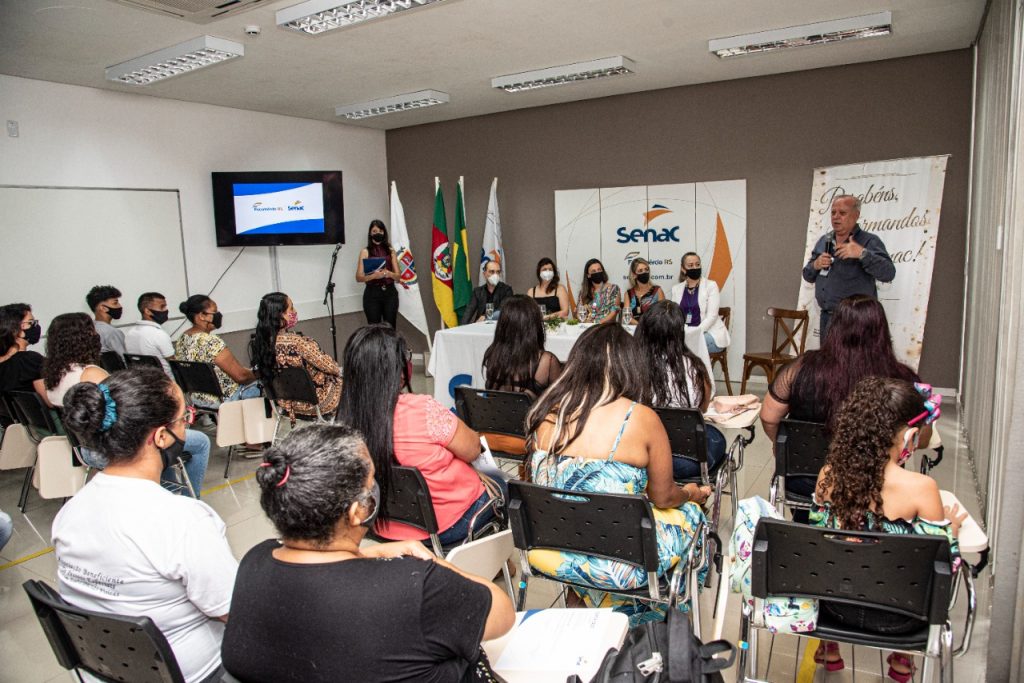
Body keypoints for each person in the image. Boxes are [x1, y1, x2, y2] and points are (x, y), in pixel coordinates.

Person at [221, 423, 515, 683]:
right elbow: (502, 614)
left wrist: (368, 555)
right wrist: (434, 565)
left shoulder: (255, 562)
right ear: (356, 512)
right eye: (371, 481)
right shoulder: (415, 586)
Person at [53, 369, 238, 683]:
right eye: (184, 419)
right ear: (161, 436)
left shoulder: (69, 514)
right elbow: (237, 613)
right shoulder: (184, 521)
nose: (187, 425)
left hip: (101, 673)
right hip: (200, 674)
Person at [526, 323, 710, 626]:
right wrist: (691, 493)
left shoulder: (546, 414)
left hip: (556, 551)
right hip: (623, 560)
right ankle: (660, 622)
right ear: (631, 366)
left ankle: (586, 601)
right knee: (693, 517)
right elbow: (664, 497)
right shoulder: (640, 417)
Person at [810, 377, 963, 682]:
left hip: (835, 608)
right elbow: (944, 562)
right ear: (909, 436)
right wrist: (954, 528)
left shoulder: (828, 475)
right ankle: (904, 659)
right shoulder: (922, 488)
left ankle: (828, 645)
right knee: (912, 573)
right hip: (902, 619)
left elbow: (819, 539)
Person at [759, 295, 922, 521]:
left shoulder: (801, 368)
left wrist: (784, 446)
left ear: (834, 328)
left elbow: (768, 417)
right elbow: (919, 437)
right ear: (882, 331)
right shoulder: (901, 378)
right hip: (878, 486)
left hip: (806, 480)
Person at [336, 325, 503, 545]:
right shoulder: (424, 410)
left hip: (381, 526)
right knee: (502, 484)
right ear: (398, 370)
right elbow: (473, 449)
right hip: (450, 524)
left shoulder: (343, 421)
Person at [43, 314, 211, 496]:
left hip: (84, 448)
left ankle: (164, 492)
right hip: (111, 449)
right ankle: (190, 499)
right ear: (82, 338)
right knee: (200, 442)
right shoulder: (90, 373)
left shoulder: (53, 376)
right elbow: (125, 413)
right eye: (92, 330)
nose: (96, 335)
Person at [635, 301, 725, 479]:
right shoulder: (694, 367)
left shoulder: (630, 365)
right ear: (680, 332)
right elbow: (702, 408)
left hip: (640, 457)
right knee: (716, 437)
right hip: (685, 461)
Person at [802, 194, 896, 335]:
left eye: (842, 213)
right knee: (827, 351)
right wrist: (815, 264)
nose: (836, 217)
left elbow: (888, 273)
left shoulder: (869, 241)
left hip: (856, 320)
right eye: (833, 212)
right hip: (827, 317)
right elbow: (807, 275)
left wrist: (862, 254)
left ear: (856, 215)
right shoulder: (824, 240)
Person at [482, 295, 563, 457]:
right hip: (528, 440)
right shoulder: (546, 361)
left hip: (492, 436)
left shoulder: (492, 356)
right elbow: (561, 405)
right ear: (534, 325)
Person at [250, 292, 342, 419]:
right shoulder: (298, 342)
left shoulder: (261, 343)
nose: (295, 311)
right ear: (280, 314)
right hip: (317, 402)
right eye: (291, 308)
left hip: (286, 404)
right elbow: (332, 367)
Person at [176, 295, 259, 406]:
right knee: (267, 384)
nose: (218, 315)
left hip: (198, 400)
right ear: (202, 316)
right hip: (226, 399)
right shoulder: (210, 341)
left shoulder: (182, 339)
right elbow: (241, 376)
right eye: (214, 312)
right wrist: (263, 372)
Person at [669, 252, 730, 355]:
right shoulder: (676, 289)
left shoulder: (711, 286)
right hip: (686, 335)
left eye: (697, 264)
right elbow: (675, 316)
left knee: (684, 345)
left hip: (710, 334)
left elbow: (712, 317)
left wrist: (694, 334)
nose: (695, 267)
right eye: (690, 265)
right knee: (668, 343)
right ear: (683, 269)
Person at [355, 219, 401, 329]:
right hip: (372, 294)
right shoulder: (365, 251)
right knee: (374, 329)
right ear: (370, 233)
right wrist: (374, 276)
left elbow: (398, 277)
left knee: (390, 328)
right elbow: (358, 277)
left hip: (390, 293)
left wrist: (389, 274)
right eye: (375, 231)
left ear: (384, 232)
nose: (378, 233)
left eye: (380, 231)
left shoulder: (391, 250)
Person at [0, 303, 47, 405]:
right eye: (31, 322)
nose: (36, 326)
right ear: (16, 330)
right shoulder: (31, 360)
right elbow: (50, 400)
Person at [124, 291, 175, 375]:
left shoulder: (130, 333)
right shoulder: (159, 334)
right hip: (166, 380)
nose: (166, 310)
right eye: (162, 307)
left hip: (143, 379)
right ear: (147, 311)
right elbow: (174, 364)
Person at [462, 259, 514, 324]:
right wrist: (461, 327)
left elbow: (503, 310)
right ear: (484, 274)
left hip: (499, 326)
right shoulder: (477, 291)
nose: (495, 275)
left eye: (498, 272)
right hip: (481, 326)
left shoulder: (507, 290)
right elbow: (468, 312)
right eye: (492, 272)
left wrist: (486, 316)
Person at [576, 258, 621, 324]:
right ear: (588, 275)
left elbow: (613, 313)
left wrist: (597, 323)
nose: (597, 272)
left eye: (599, 270)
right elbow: (579, 312)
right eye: (593, 271)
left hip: (606, 326)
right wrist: (586, 323)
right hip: (587, 326)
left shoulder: (613, 289)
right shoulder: (584, 292)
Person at [86, 284, 126, 356]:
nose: (120, 306)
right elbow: (124, 359)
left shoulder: (89, 328)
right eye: (115, 303)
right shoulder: (112, 332)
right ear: (103, 308)